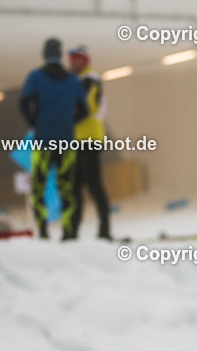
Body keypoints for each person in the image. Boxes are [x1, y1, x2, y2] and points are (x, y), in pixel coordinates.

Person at [20, 37, 87, 240]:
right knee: (66, 188)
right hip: (66, 142)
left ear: (44, 54)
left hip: (43, 142)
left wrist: (35, 123)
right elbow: (84, 110)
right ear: (60, 54)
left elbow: (23, 103)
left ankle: (43, 230)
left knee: (39, 188)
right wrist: (68, 122)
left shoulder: (36, 77)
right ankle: (67, 232)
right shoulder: (73, 80)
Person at [67, 45, 112, 240]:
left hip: (89, 138)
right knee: (75, 188)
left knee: (93, 187)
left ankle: (104, 231)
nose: (72, 63)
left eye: (76, 59)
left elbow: (85, 107)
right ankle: (72, 233)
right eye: (71, 59)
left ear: (84, 60)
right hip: (79, 138)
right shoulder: (79, 79)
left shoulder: (89, 78)